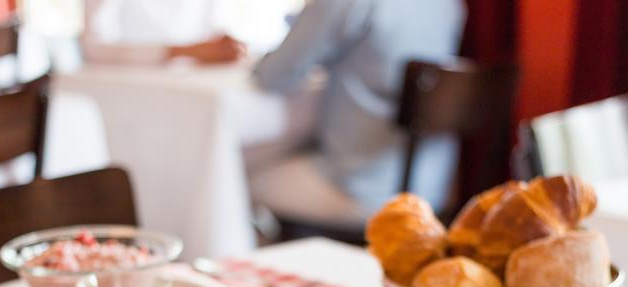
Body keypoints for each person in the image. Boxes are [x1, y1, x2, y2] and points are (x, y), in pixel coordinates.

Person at [250, 0, 465, 229]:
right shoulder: (448, 5)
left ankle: (242, 261)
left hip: (364, 192)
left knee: (230, 177)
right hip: (434, 191)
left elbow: (275, 73)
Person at [82, 0, 245, 66]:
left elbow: (212, 32)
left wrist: (225, 49)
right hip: (126, 91)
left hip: (190, 86)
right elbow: (94, 49)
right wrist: (178, 52)